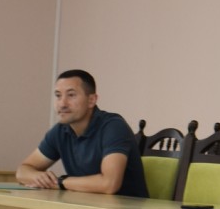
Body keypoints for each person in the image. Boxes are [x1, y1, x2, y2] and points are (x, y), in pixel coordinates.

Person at [16, 69, 148, 198]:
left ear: (91, 100)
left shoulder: (113, 126)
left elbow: (109, 184)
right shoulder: (60, 131)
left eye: (71, 95)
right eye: (58, 96)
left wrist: (60, 182)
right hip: (85, 205)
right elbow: (23, 171)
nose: (62, 104)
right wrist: (39, 177)